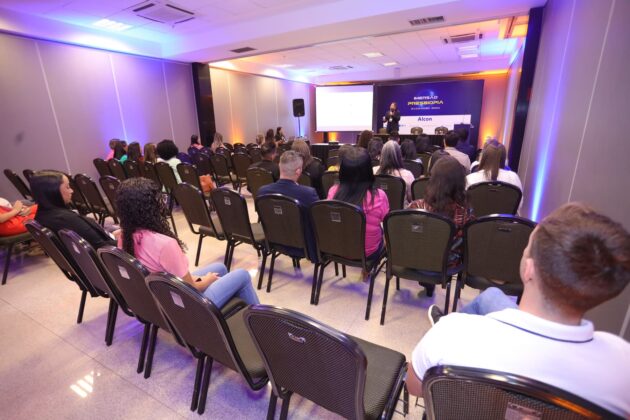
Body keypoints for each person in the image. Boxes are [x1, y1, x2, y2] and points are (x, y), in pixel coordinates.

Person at [406, 203, 630, 418]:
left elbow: (414, 387)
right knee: (492, 296)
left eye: (527, 247)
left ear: (529, 269)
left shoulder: (451, 333)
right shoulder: (622, 365)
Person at [116, 178, 259, 309]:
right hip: (183, 307)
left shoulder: (123, 236)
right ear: (150, 208)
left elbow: (177, 278)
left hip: (159, 297)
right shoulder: (165, 244)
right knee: (242, 275)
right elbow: (191, 289)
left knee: (220, 268)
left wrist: (202, 279)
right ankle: (261, 323)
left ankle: (232, 314)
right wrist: (207, 280)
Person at [408, 156, 474, 288]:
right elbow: (469, 247)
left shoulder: (415, 207)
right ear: (460, 182)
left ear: (432, 180)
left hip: (415, 260)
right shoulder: (466, 214)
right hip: (446, 266)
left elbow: (406, 237)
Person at [328, 147, 388, 261]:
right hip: (368, 253)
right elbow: (386, 222)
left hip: (339, 249)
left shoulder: (332, 191)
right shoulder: (379, 196)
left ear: (343, 170)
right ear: (368, 170)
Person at [258, 151, 319, 261]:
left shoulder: (262, 192)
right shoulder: (308, 193)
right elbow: (318, 223)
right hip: (304, 247)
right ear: (298, 171)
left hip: (274, 242)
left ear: (279, 167)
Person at [31, 171, 115, 249]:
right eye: (67, 187)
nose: (72, 191)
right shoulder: (67, 219)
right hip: (110, 255)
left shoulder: (41, 215)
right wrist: (121, 240)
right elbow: (102, 246)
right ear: (53, 191)